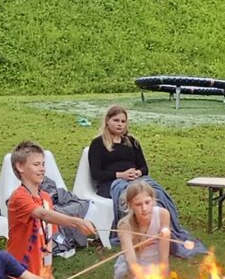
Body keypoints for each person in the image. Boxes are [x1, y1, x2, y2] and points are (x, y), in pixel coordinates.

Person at [86, 104, 203, 256]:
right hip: (112, 182)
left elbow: (144, 167)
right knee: (132, 196)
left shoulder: (132, 141)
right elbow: (96, 173)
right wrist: (120, 175)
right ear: (107, 121)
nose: (120, 124)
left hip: (136, 179)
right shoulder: (98, 144)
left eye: (123, 121)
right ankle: (136, 235)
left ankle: (165, 233)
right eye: (116, 120)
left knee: (156, 195)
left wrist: (137, 173)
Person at [5, 142, 100, 264]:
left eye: (43, 164)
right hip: (20, 269)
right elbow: (43, 214)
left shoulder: (45, 197)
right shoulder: (19, 197)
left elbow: (49, 237)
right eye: (36, 164)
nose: (42, 169)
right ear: (20, 167)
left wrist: (47, 272)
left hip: (41, 268)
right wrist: (77, 222)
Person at [114, 181, 174, 279]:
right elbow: (129, 256)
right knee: (124, 275)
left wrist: (163, 271)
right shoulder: (125, 225)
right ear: (130, 205)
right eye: (138, 204)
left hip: (154, 262)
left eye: (147, 202)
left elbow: (164, 253)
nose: (144, 208)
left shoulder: (163, 215)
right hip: (134, 262)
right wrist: (137, 274)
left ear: (153, 200)